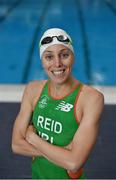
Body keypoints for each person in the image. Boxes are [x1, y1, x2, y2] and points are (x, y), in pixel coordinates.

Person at [12, 28, 104, 179]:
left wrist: (33, 138)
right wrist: (64, 153)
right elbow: (16, 145)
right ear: (42, 60)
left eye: (64, 55)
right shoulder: (33, 90)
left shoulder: (90, 99)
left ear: (73, 57)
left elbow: (74, 162)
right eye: (49, 57)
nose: (57, 64)